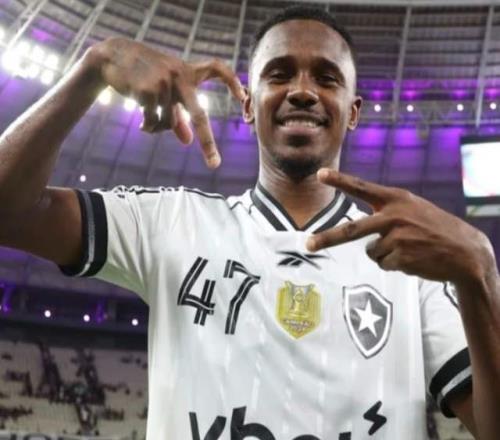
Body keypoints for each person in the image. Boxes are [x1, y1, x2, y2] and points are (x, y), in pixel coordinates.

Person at [0, 5, 498, 440]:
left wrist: (479, 272)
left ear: (353, 112)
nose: (301, 91)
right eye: (279, 75)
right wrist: (93, 68)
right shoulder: (171, 222)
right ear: (246, 106)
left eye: (326, 79)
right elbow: (11, 211)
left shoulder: (412, 266)